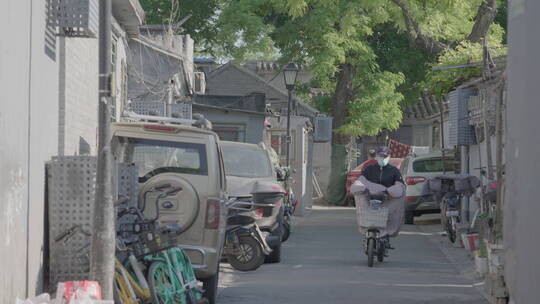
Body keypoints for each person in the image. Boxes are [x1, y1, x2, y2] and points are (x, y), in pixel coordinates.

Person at [359, 146, 405, 250]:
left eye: (384, 156)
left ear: (389, 157)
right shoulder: (369, 169)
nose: (382, 158)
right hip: (370, 198)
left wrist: (395, 189)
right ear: (376, 156)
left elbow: (399, 183)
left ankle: (386, 237)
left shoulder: (393, 170)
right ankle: (367, 234)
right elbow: (361, 180)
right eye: (380, 156)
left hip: (387, 198)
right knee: (367, 215)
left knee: (388, 216)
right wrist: (360, 187)